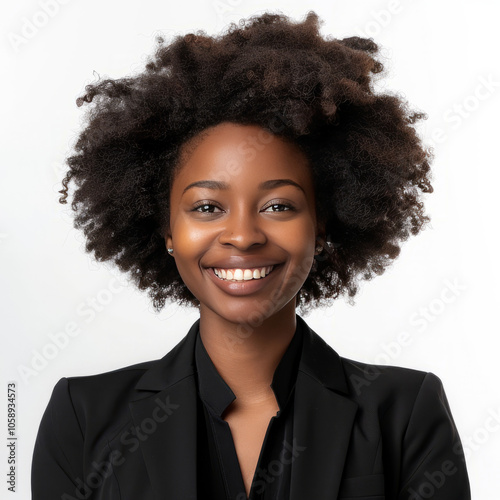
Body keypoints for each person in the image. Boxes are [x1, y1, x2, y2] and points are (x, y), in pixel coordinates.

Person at [31, 10, 471, 500]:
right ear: (167, 230)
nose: (242, 236)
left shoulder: (405, 413)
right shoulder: (84, 417)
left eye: (278, 205)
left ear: (321, 224)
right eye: (207, 207)